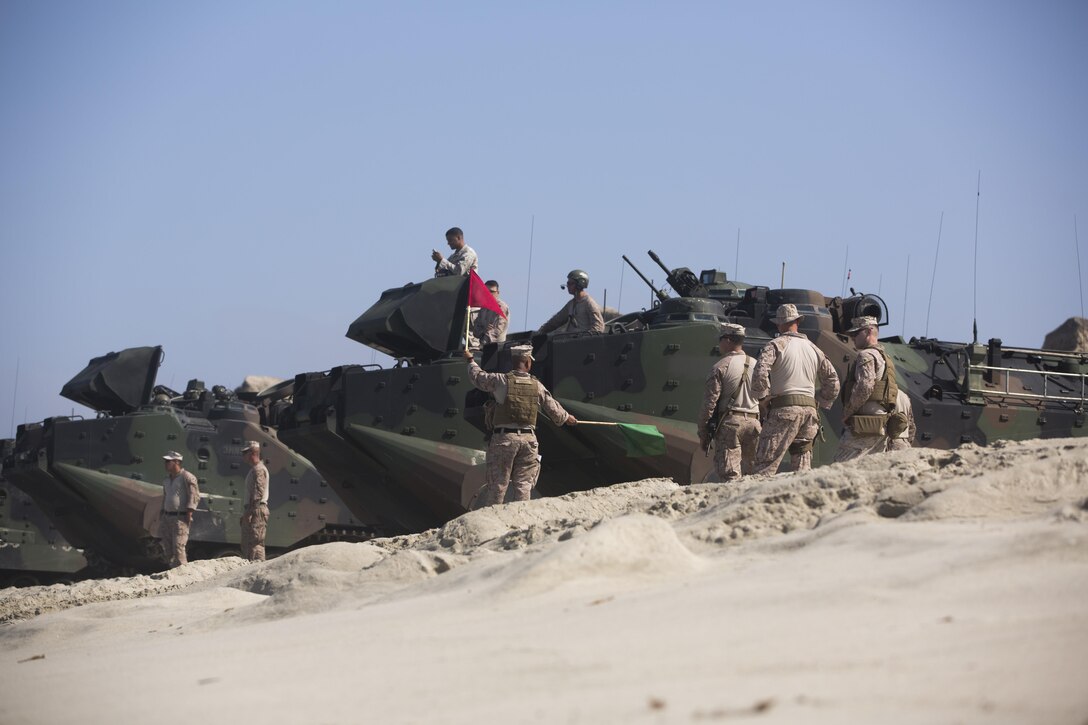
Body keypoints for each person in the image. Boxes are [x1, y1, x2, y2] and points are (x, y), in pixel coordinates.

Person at [464, 344, 578, 506]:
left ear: (514, 361)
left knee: (498, 485)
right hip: (529, 441)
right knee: (524, 485)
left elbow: (478, 377)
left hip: (504, 439)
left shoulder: (500, 381)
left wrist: (470, 360)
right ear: (527, 363)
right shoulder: (536, 385)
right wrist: (568, 418)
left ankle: (494, 521)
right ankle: (520, 520)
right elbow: (555, 411)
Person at [751, 303, 840, 475]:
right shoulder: (815, 349)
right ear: (797, 321)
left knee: (765, 466)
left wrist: (762, 399)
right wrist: (820, 401)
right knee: (802, 470)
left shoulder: (775, 345)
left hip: (784, 411)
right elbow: (833, 381)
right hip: (809, 414)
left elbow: (760, 372)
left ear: (779, 324)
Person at [698, 323, 761, 481]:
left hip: (731, 424)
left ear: (727, 341)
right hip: (755, 422)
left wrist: (703, 434)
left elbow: (709, 404)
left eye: (720, 339)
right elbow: (764, 396)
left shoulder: (720, 367)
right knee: (753, 474)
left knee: (729, 475)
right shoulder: (757, 365)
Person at [835, 316, 898, 462]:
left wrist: (848, 412)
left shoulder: (866, 355)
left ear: (869, 331)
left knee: (840, 464)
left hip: (864, 425)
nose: (852, 338)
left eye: (856, 334)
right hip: (881, 421)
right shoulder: (884, 357)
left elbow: (865, 386)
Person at [160, 450, 200, 568]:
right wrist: (161, 512)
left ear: (177, 462)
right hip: (167, 517)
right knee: (167, 548)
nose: (166, 464)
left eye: (168, 461)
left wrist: (190, 511)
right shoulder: (167, 480)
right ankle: (171, 571)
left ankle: (182, 571)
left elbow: (194, 494)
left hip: (180, 517)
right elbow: (165, 497)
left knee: (178, 547)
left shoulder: (186, 477)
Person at [536, 269, 605, 335]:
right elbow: (557, 320)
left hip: (582, 343)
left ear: (580, 284)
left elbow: (598, 328)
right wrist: (541, 331)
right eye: (567, 283)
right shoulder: (571, 304)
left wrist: (585, 337)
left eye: (570, 283)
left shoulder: (589, 303)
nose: (568, 286)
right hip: (571, 341)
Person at [240, 440, 270, 561]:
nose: (243, 456)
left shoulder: (259, 470)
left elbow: (258, 493)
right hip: (253, 509)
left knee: (256, 543)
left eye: (245, 453)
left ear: (252, 453)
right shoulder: (254, 469)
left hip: (257, 509)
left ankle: (257, 568)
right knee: (249, 543)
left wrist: (249, 513)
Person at [469, 279, 509, 348]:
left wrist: (482, 344)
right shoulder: (484, 307)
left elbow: (496, 331)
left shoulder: (501, 308)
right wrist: (484, 329)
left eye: (492, 292)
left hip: (496, 348)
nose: (489, 294)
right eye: (486, 291)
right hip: (483, 346)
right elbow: (476, 331)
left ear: (498, 293)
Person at [886, 387, 916, 452]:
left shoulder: (882, 393)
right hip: (903, 443)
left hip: (888, 444)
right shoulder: (904, 396)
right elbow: (911, 427)